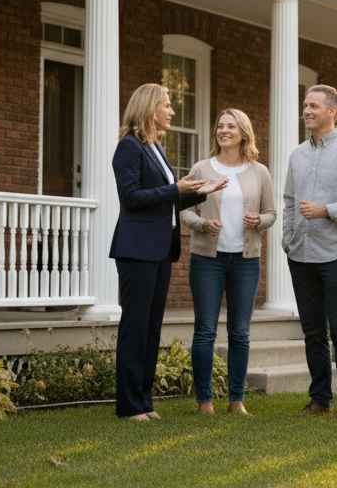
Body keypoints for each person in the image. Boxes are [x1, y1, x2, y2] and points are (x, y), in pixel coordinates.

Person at [110, 83, 225, 421]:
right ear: (149, 108)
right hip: (136, 249)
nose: (172, 111)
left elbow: (166, 198)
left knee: (151, 328)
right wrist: (176, 188)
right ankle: (129, 405)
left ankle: (144, 401)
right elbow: (131, 197)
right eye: (167, 104)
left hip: (160, 249)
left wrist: (200, 191)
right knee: (135, 326)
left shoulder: (155, 146)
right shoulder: (128, 148)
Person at [180, 108, 275, 415]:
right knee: (205, 330)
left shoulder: (259, 172)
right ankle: (204, 401)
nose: (224, 130)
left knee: (240, 332)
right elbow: (185, 211)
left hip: (246, 261)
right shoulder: (202, 168)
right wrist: (202, 225)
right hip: (208, 260)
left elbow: (272, 213)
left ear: (243, 133)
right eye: (220, 126)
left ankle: (236, 400)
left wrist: (258, 219)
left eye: (231, 126)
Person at [283, 85, 337, 420]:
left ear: (332, 110)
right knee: (313, 330)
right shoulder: (297, 155)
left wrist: (327, 210)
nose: (307, 111)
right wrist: (287, 239)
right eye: (305, 105)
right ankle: (319, 398)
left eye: (313, 106)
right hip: (301, 254)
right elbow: (289, 201)